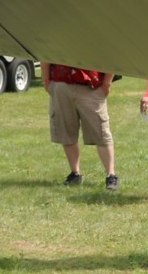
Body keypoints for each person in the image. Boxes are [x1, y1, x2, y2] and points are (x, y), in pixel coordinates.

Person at [42, 61, 118, 190]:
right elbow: (46, 56)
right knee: (66, 132)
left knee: (101, 133)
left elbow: (111, 57)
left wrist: (107, 83)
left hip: (91, 86)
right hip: (61, 84)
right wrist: (46, 81)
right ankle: (75, 173)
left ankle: (111, 175)